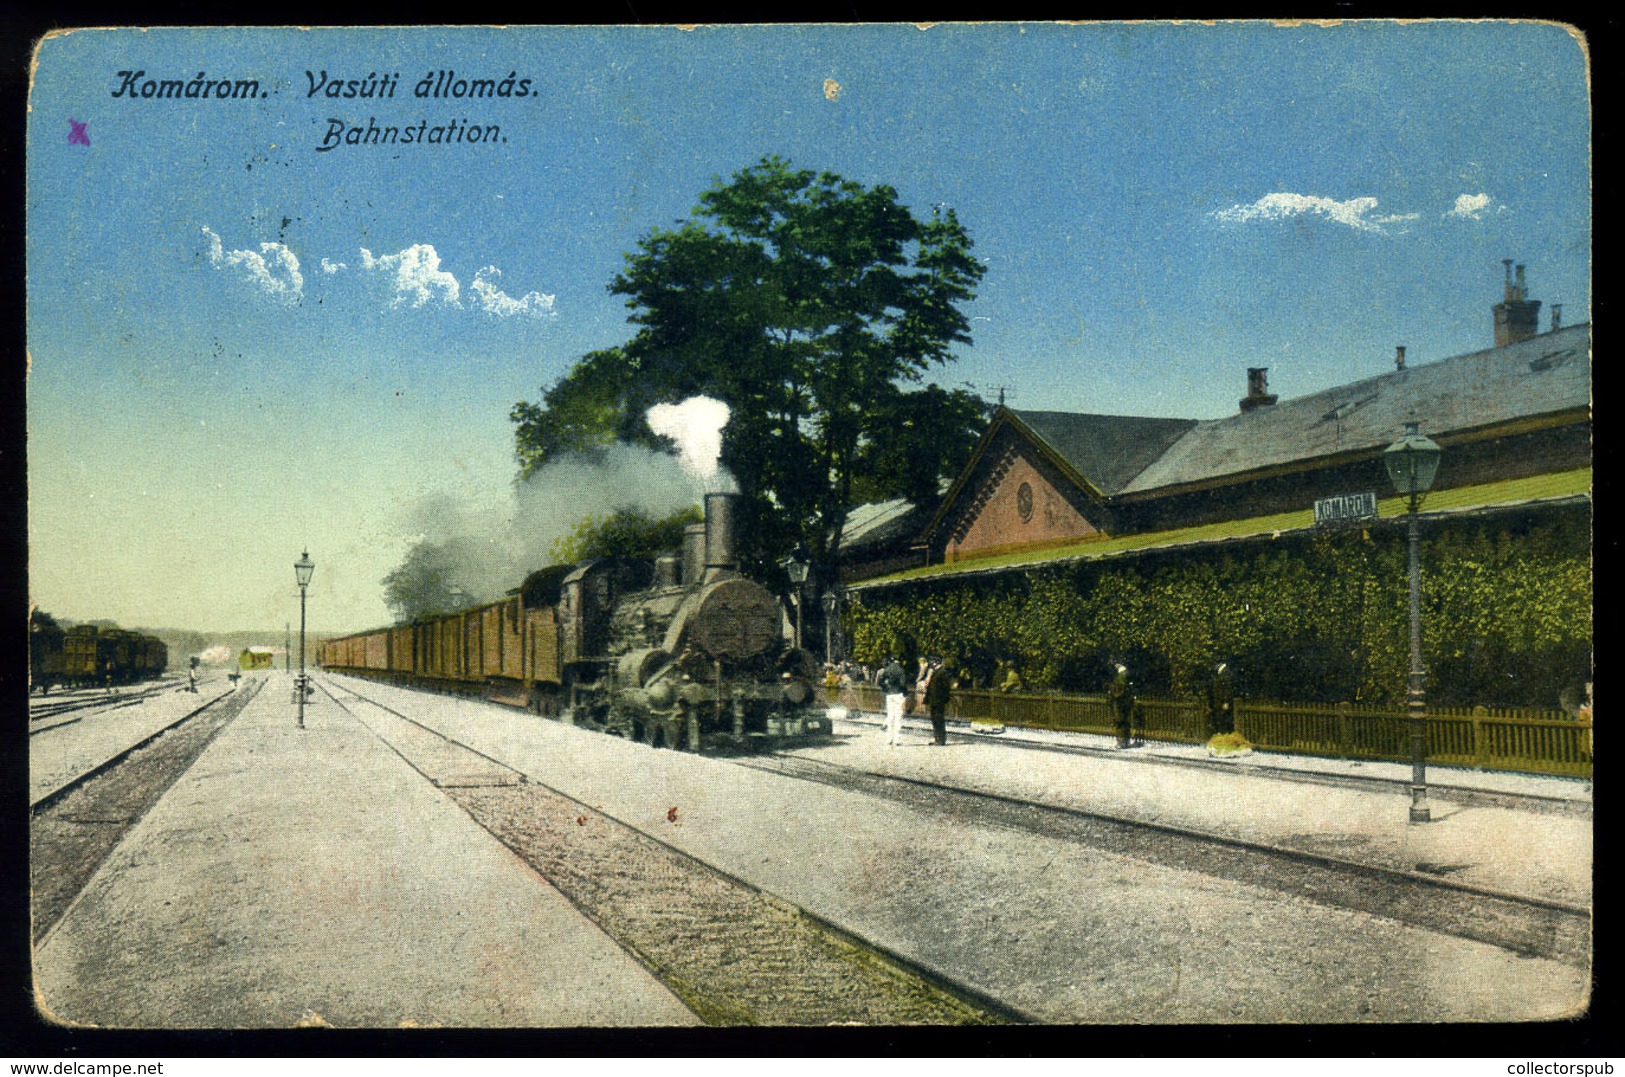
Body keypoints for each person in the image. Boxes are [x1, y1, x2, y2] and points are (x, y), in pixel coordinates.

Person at [877, 655, 907, 747]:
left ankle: (889, 739)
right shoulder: (901, 670)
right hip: (898, 694)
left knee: (890, 716)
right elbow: (903, 684)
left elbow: (880, 681)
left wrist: (885, 688)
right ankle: (897, 739)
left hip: (889, 694)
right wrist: (905, 693)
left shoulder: (887, 669)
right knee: (898, 717)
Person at [923, 657, 954, 746]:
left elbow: (945, 688)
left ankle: (941, 739)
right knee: (935, 719)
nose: (931, 664)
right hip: (933, 699)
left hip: (938, 700)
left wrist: (943, 699)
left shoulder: (942, 672)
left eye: (933, 662)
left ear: (937, 663)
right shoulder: (934, 672)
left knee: (939, 719)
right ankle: (937, 738)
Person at [1109, 661, 1135, 748]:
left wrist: (1112, 694)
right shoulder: (1126, 675)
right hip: (1126, 702)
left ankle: (1121, 742)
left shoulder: (1120, 677)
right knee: (1125, 722)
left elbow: (1118, 691)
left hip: (1119, 703)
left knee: (1119, 722)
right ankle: (1126, 741)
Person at [1207, 661, 1235, 736]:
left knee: (1224, 719)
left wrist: (1226, 702)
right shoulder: (1221, 673)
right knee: (1220, 718)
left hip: (1223, 702)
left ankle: (1224, 735)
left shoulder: (1226, 673)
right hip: (1219, 702)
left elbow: (1228, 689)